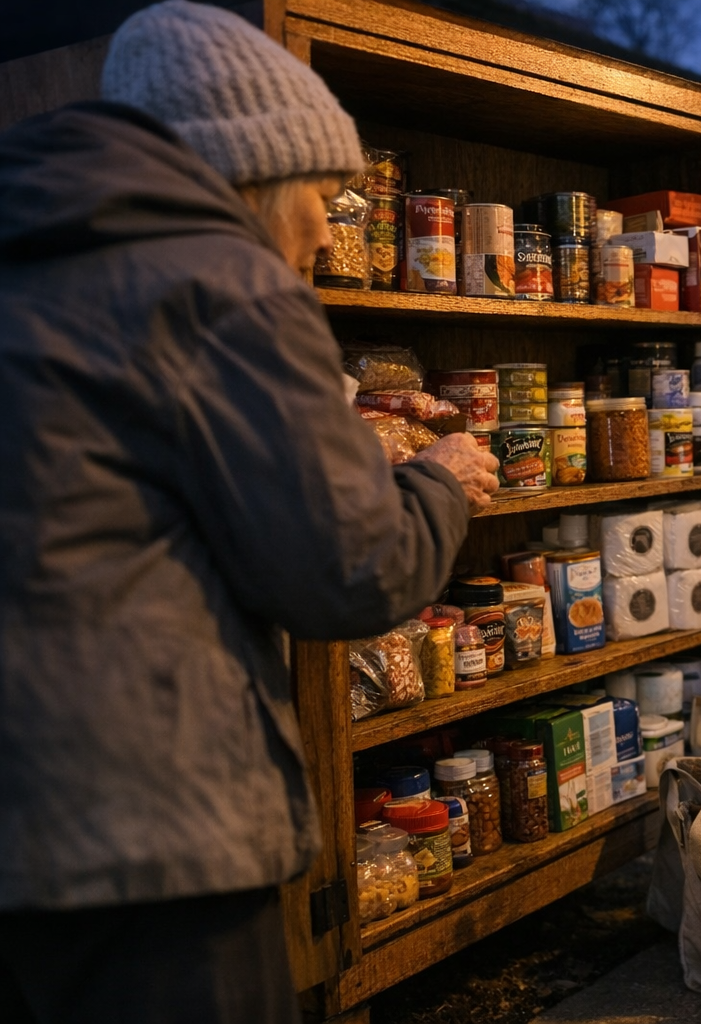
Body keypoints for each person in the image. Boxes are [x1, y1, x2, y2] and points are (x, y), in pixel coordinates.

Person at [0, 3, 499, 1021]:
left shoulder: (36, 268)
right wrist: (439, 478)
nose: (326, 228)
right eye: (323, 193)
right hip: (157, 841)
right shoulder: (226, 280)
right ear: (254, 174)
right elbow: (350, 571)